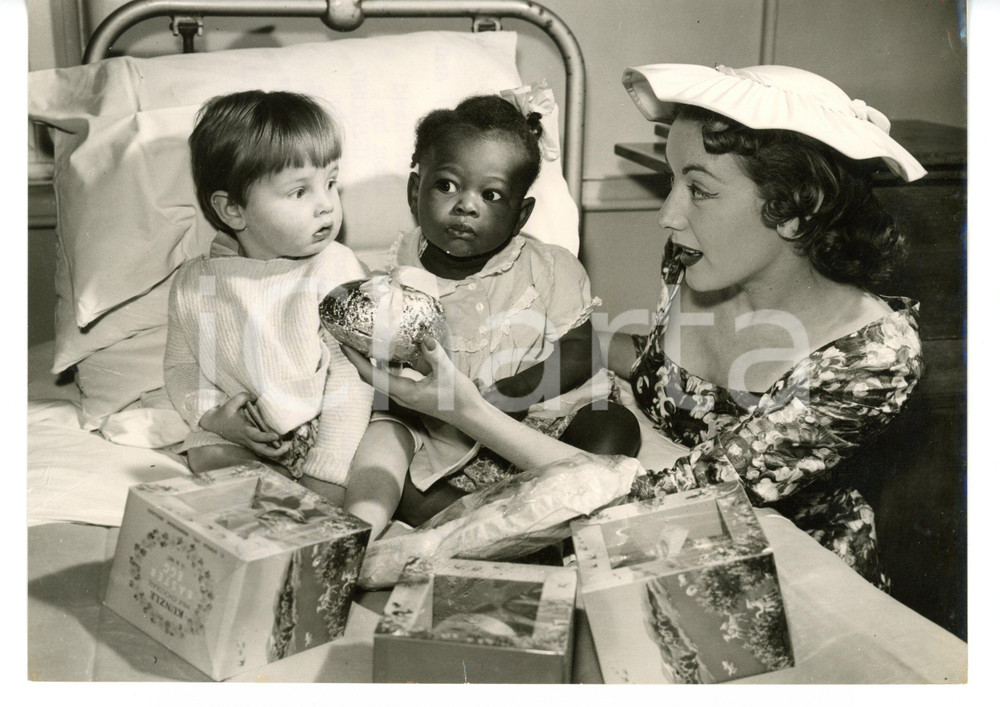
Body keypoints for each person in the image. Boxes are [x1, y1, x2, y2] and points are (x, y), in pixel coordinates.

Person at [342, 64, 926, 589]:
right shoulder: (694, 262)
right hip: (624, 539)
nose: (668, 214)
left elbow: (672, 498)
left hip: (769, 573)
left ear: (797, 208)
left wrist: (466, 409)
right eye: (673, 181)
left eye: (698, 189)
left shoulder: (870, 358)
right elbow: (643, 359)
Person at [343, 88, 640, 537]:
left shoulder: (549, 268)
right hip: (447, 436)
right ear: (413, 191)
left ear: (521, 216)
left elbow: (581, 351)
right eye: (446, 185)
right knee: (383, 464)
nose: (466, 205)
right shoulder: (394, 282)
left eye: (492, 195)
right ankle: (487, 521)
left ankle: (531, 514)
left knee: (614, 428)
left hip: (546, 422)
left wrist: (512, 393)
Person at [164, 90, 373, 503]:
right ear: (233, 211)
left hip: (336, 428)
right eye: (300, 192)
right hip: (251, 433)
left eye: (330, 184)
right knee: (204, 452)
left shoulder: (333, 267)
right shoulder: (195, 283)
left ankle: (310, 504)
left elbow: (352, 377)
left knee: (384, 451)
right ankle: (273, 504)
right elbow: (182, 367)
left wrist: (327, 469)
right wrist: (216, 417)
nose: (326, 206)